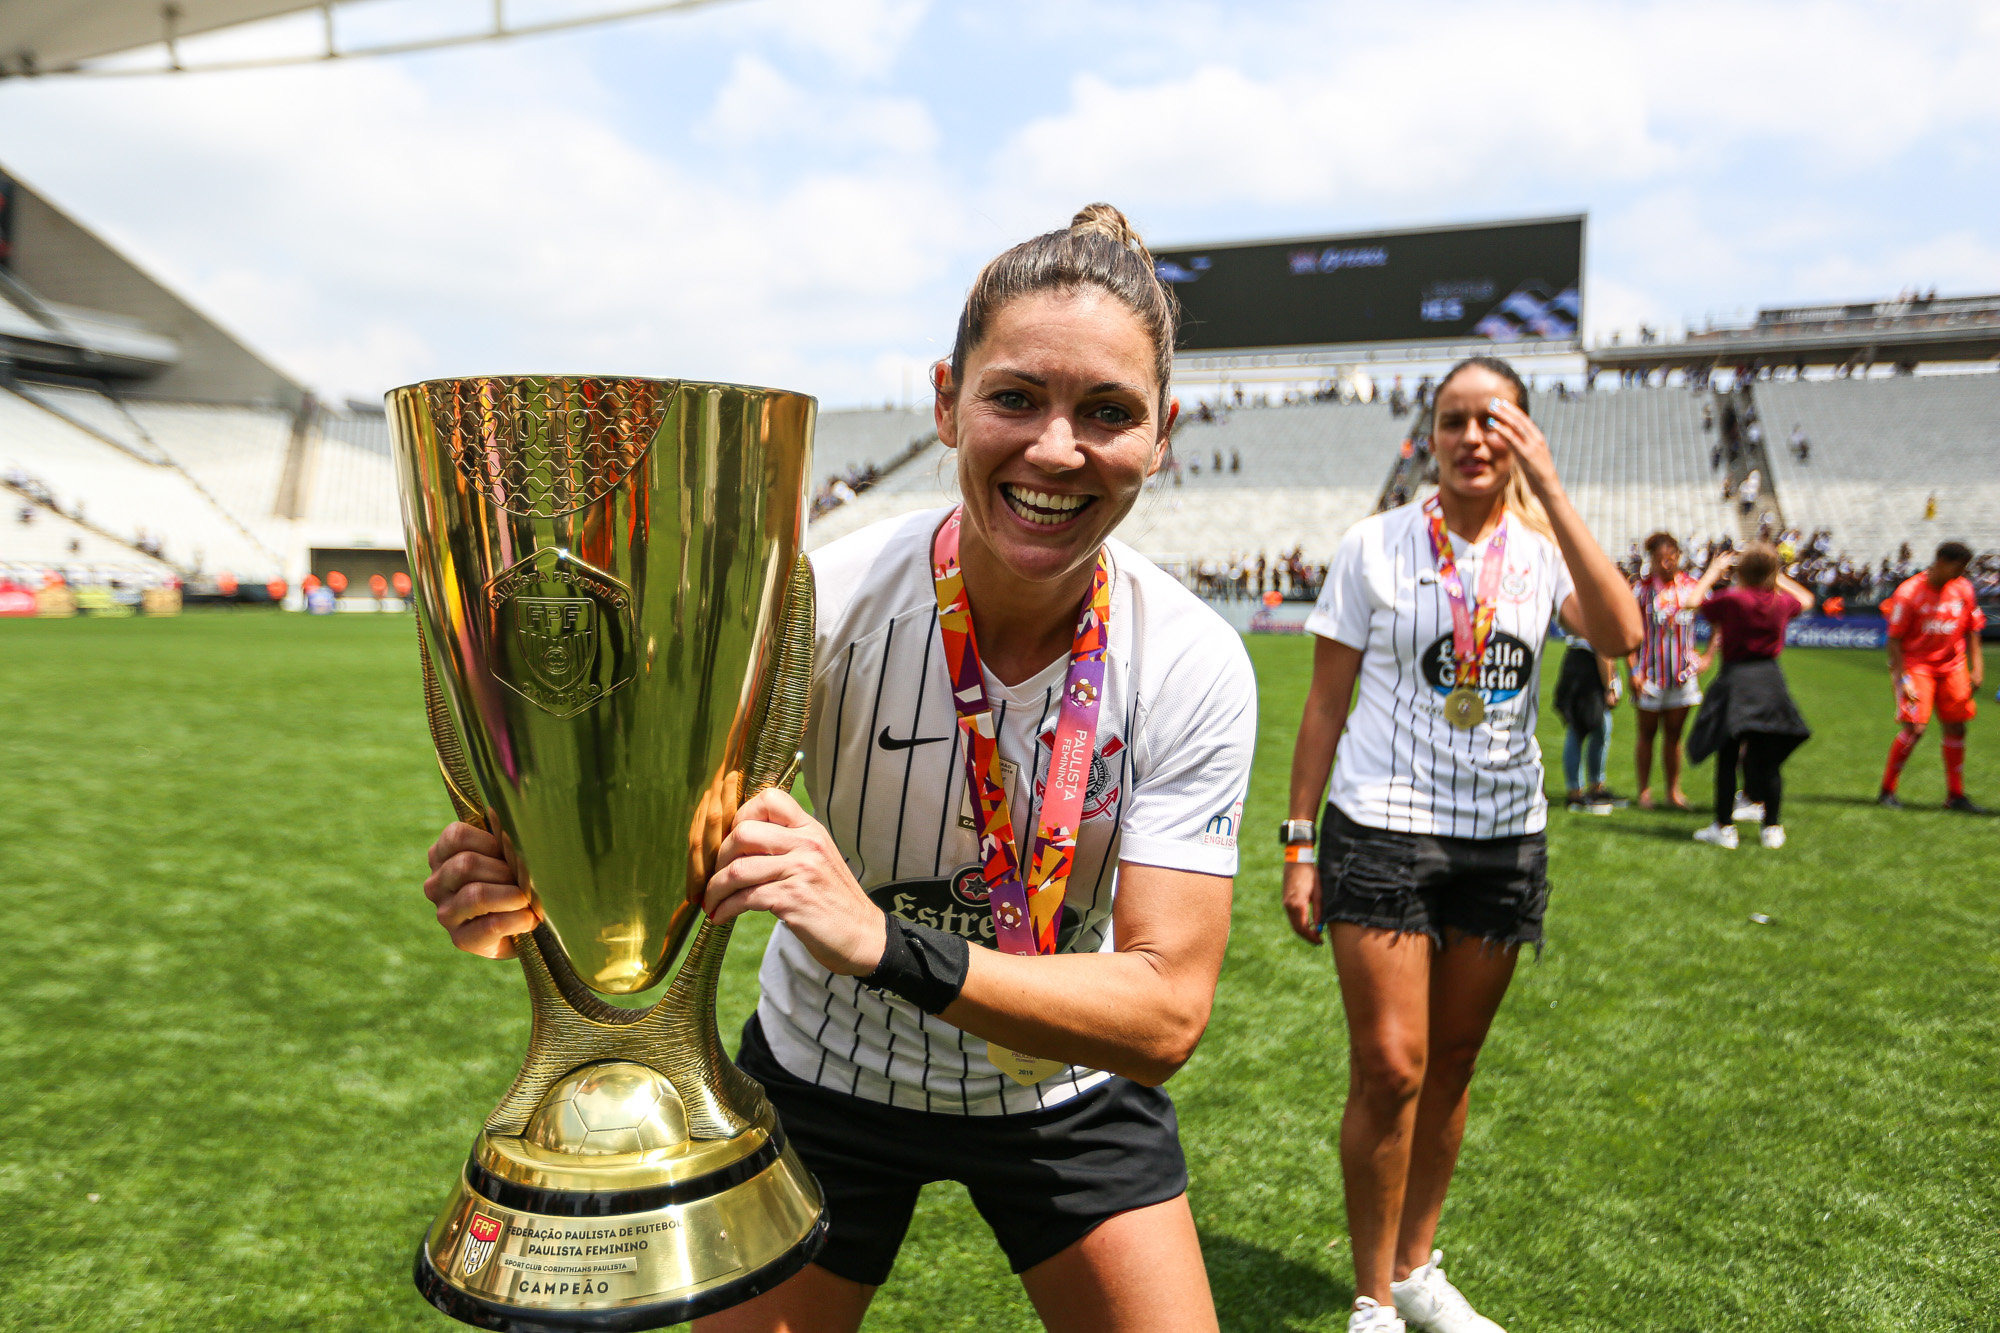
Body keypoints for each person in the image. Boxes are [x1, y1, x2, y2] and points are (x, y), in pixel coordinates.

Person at [421, 204, 1259, 1332]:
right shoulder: (822, 602)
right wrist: (521, 903)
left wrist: (880, 940)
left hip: (1062, 1088)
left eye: (1107, 413)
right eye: (1014, 396)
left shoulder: (1193, 660)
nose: (1057, 449)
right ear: (943, 401)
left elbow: (1162, 1013)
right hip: (828, 1076)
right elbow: (648, 854)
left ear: (1161, 435)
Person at [1281, 356, 1640, 1333]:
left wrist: (1554, 493)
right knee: (1391, 1064)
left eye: (1495, 420)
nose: (1473, 437)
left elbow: (1619, 632)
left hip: (1501, 839)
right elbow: (1321, 704)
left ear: (1522, 433)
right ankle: (1369, 1297)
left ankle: (1412, 1268)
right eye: (1453, 420)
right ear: (1428, 437)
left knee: (1452, 1063)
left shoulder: (1541, 547)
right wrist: (1297, 841)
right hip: (1383, 825)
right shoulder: (1372, 545)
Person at [1686, 545, 1815, 849]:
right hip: (1770, 682)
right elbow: (1807, 600)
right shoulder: (1779, 602)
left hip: (1736, 680)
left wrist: (1713, 573)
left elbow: (1692, 602)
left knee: (1728, 757)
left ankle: (1724, 827)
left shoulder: (1731, 599)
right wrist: (1778, 576)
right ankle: (1772, 828)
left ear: (1740, 571)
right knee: (1768, 760)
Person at [1878, 540, 1987, 812]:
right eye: (1957, 567)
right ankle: (1887, 790)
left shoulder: (1962, 589)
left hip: (1953, 666)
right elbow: (1894, 640)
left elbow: (1973, 629)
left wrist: (1978, 667)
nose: (1960, 573)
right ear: (1941, 562)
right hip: (1918, 667)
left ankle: (1955, 796)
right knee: (1915, 728)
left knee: (1956, 726)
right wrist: (1903, 679)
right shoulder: (1909, 593)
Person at [1628, 533, 1709, 810]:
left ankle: (1673, 791)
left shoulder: (1692, 588)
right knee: (1647, 734)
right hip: (1649, 675)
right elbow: (1628, 633)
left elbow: (1720, 618)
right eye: (1661, 558)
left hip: (1682, 675)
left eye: (1672, 557)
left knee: (1674, 735)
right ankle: (1644, 791)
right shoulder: (1640, 590)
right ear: (1651, 559)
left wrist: (1708, 655)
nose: (1667, 563)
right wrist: (1632, 669)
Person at [1554, 635, 1621, 812]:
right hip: (1586, 665)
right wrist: (1609, 687)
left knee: (1600, 728)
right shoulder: (1599, 609)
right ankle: (1575, 793)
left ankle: (1595, 787)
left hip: (1582, 663)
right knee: (1578, 730)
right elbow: (1602, 647)